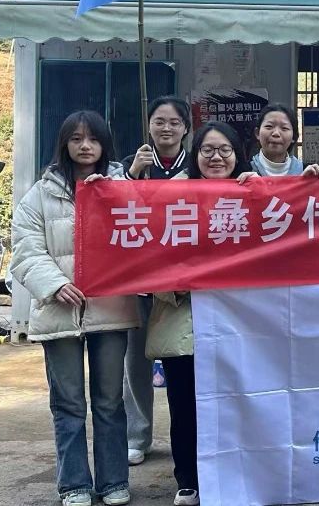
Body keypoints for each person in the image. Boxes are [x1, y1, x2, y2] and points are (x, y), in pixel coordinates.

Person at [11, 111, 137, 506]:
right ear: (64, 144)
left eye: (93, 139)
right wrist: (55, 284)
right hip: (59, 312)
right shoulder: (40, 194)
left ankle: (114, 481)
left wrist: (113, 196)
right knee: (67, 403)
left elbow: (142, 236)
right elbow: (25, 249)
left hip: (110, 311)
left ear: (105, 145)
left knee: (109, 401)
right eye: (77, 138)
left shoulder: (123, 188)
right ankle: (74, 484)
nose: (85, 146)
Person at [150, 121, 257, 506]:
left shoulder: (255, 196)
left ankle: (237, 476)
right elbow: (146, 260)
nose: (216, 157)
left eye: (225, 150)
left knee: (239, 404)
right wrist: (177, 286)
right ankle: (189, 479)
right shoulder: (170, 199)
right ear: (195, 156)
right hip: (185, 321)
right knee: (185, 405)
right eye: (207, 150)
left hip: (240, 325)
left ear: (237, 155)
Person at [119, 96, 192, 467]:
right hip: (141, 280)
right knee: (135, 363)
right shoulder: (132, 166)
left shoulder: (196, 167)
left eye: (175, 122)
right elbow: (113, 208)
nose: (167, 128)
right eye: (159, 121)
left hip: (182, 287)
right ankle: (137, 435)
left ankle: (190, 439)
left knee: (185, 368)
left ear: (186, 128)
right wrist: (133, 175)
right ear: (148, 125)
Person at [251, 104, 304, 176]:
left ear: (293, 137)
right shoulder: (244, 171)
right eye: (269, 126)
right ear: (257, 133)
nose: (276, 133)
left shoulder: (305, 171)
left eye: (284, 128)